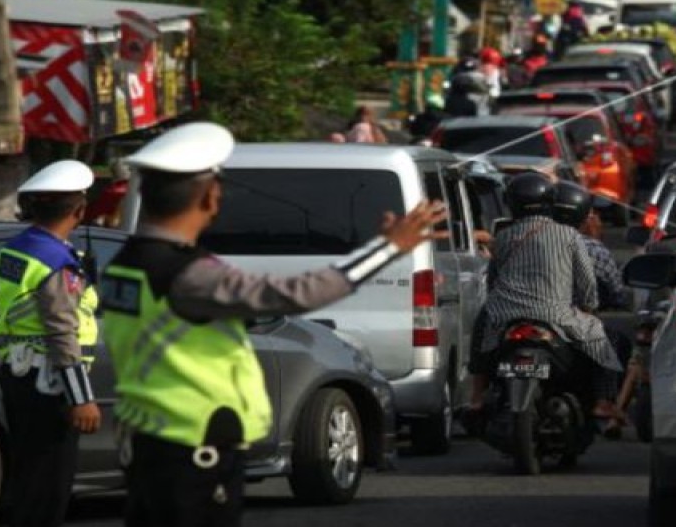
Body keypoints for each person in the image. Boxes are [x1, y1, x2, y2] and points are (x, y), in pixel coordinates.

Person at [99, 122, 447, 527]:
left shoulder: (123, 264)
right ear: (210, 197)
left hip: (145, 438)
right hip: (192, 444)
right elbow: (296, 294)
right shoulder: (186, 273)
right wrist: (387, 247)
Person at [0, 160, 101, 527]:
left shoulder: (16, 248)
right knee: (49, 488)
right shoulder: (55, 261)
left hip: (18, 374)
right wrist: (80, 398)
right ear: (79, 210)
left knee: (30, 481)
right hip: (48, 381)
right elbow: (61, 331)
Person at [465, 173, 622, 419]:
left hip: (506, 317)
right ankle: (604, 402)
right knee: (602, 341)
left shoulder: (504, 236)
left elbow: (493, 282)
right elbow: (587, 282)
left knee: (481, 328)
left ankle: (476, 396)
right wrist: (589, 309)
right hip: (556, 316)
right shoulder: (569, 236)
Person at [552, 182, 626, 311]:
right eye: (592, 215)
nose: (597, 220)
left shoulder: (518, 240)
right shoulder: (594, 250)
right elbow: (615, 292)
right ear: (584, 217)